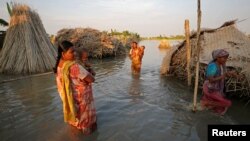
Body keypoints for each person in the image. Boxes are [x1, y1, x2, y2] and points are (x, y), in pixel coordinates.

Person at [54, 40, 97, 135]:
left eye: (74, 51)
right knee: (86, 124)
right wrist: (90, 69)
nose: (74, 54)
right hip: (82, 100)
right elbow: (91, 79)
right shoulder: (74, 67)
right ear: (63, 53)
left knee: (75, 123)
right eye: (71, 52)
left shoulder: (58, 66)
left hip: (69, 100)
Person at [200, 49, 236, 115]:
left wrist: (229, 74)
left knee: (217, 109)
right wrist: (223, 76)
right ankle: (206, 103)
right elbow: (211, 80)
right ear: (217, 58)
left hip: (217, 88)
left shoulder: (222, 65)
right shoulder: (212, 66)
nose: (225, 60)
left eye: (226, 58)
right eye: (224, 58)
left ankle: (207, 106)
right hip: (210, 88)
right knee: (227, 103)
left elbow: (222, 74)